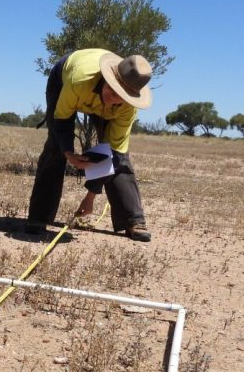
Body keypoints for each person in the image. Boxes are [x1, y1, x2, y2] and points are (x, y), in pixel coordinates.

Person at [25, 49, 155, 242]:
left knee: (121, 158)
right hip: (63, 77)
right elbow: (62, 120)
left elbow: (114, 153)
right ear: (106, 77)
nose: (114, 98)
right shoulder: (79, 81)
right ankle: (38, 218)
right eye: (112, 89)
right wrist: (68, 152)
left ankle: (133, 221)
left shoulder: (127, 109)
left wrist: (90, 197)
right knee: (55, 146)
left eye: (122, 96)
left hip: (92, 95)